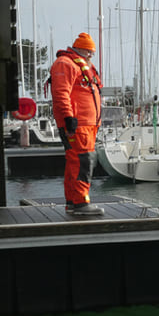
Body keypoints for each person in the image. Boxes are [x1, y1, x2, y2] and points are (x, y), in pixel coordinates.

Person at [49, 32, 103, 215]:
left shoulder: (82, 66)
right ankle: (81, 203)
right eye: (89, 52)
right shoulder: (65, 64)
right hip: (77, 124)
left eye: (92, 53)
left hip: (88, 124)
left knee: (76, 161)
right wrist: (68, 118)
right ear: (81, 50)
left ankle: (73, 202)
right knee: (83, 161)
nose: (90, 56)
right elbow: (61, 92)